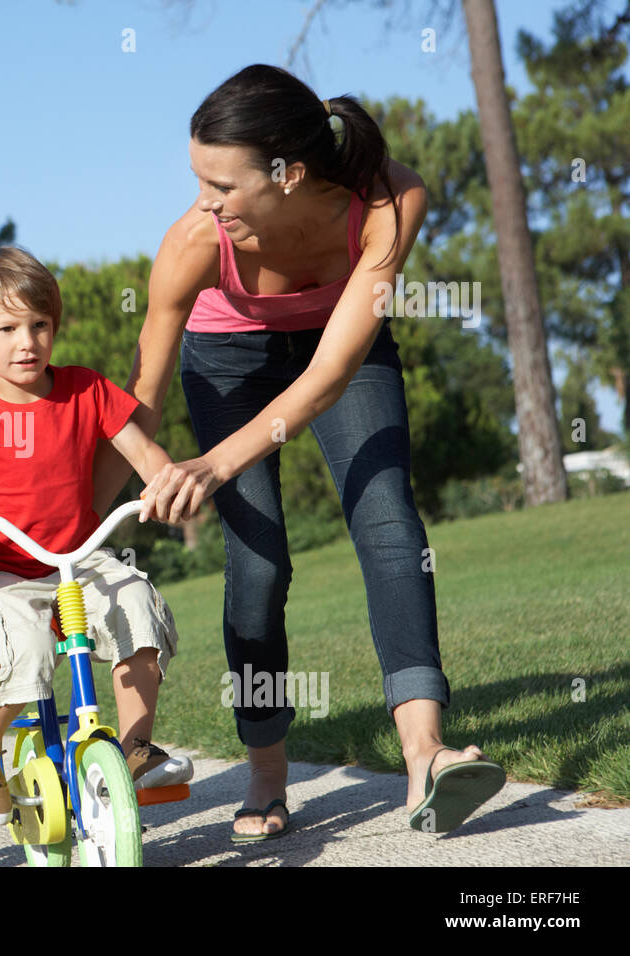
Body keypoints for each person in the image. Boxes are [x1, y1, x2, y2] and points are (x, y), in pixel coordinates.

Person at [99, 64, 504, 841]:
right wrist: (77, 522)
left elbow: (328, 377)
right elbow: (139, 397)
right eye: (198, 180)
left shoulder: (389, 199)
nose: (204, 202)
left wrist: (213, 465)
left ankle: (426, 754)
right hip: (226, 361)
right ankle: (266, 771)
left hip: (338, 356)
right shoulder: (194, 241)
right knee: (259, 562)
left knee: (389, 521)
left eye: (222, 184)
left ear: (287, 174)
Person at [0, 246, 194, 825]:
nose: (28, 341)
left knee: (136, 604)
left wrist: (166, 483)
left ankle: (136, 746)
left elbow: (143, 452)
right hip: (3, 571)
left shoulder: (86, 389)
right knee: (28, 650)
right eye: (8, 327)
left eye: (40, 325)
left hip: (80, 557)